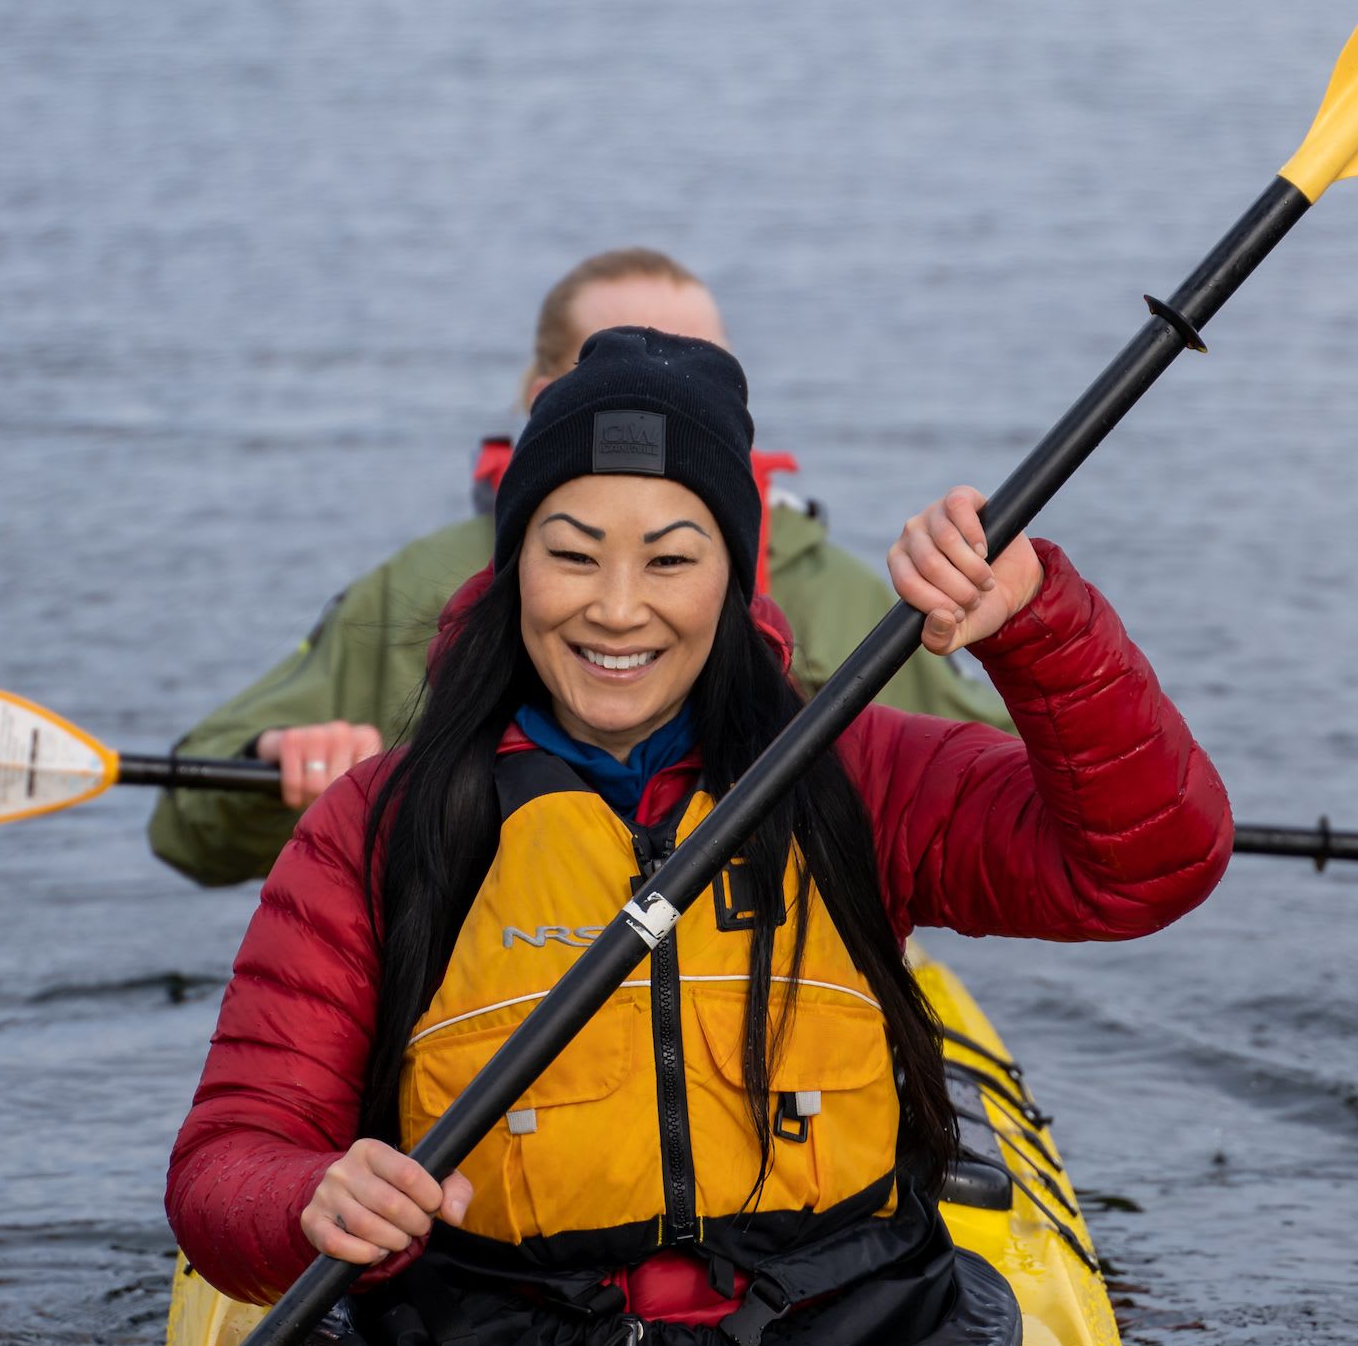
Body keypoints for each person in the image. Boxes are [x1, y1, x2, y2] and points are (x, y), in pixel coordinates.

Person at [166, 327, 1230, 1346]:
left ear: (732, 576)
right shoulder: (380, 824)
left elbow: (1150, 864)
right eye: (570, 554)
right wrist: (308, 1199)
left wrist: (1036, 626)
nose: (616, 607)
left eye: (669, 559)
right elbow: (224, 1162)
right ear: (511, 565)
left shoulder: (851, 771)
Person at [149, 246, 1010, 888]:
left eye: (695, 369)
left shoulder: (838, 595)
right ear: (542, 395)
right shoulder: (420, 590)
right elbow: (186, 832)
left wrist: (1027, 633)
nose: (656, 385)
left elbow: (1021, 793)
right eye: (612, 359)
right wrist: (278, 768)